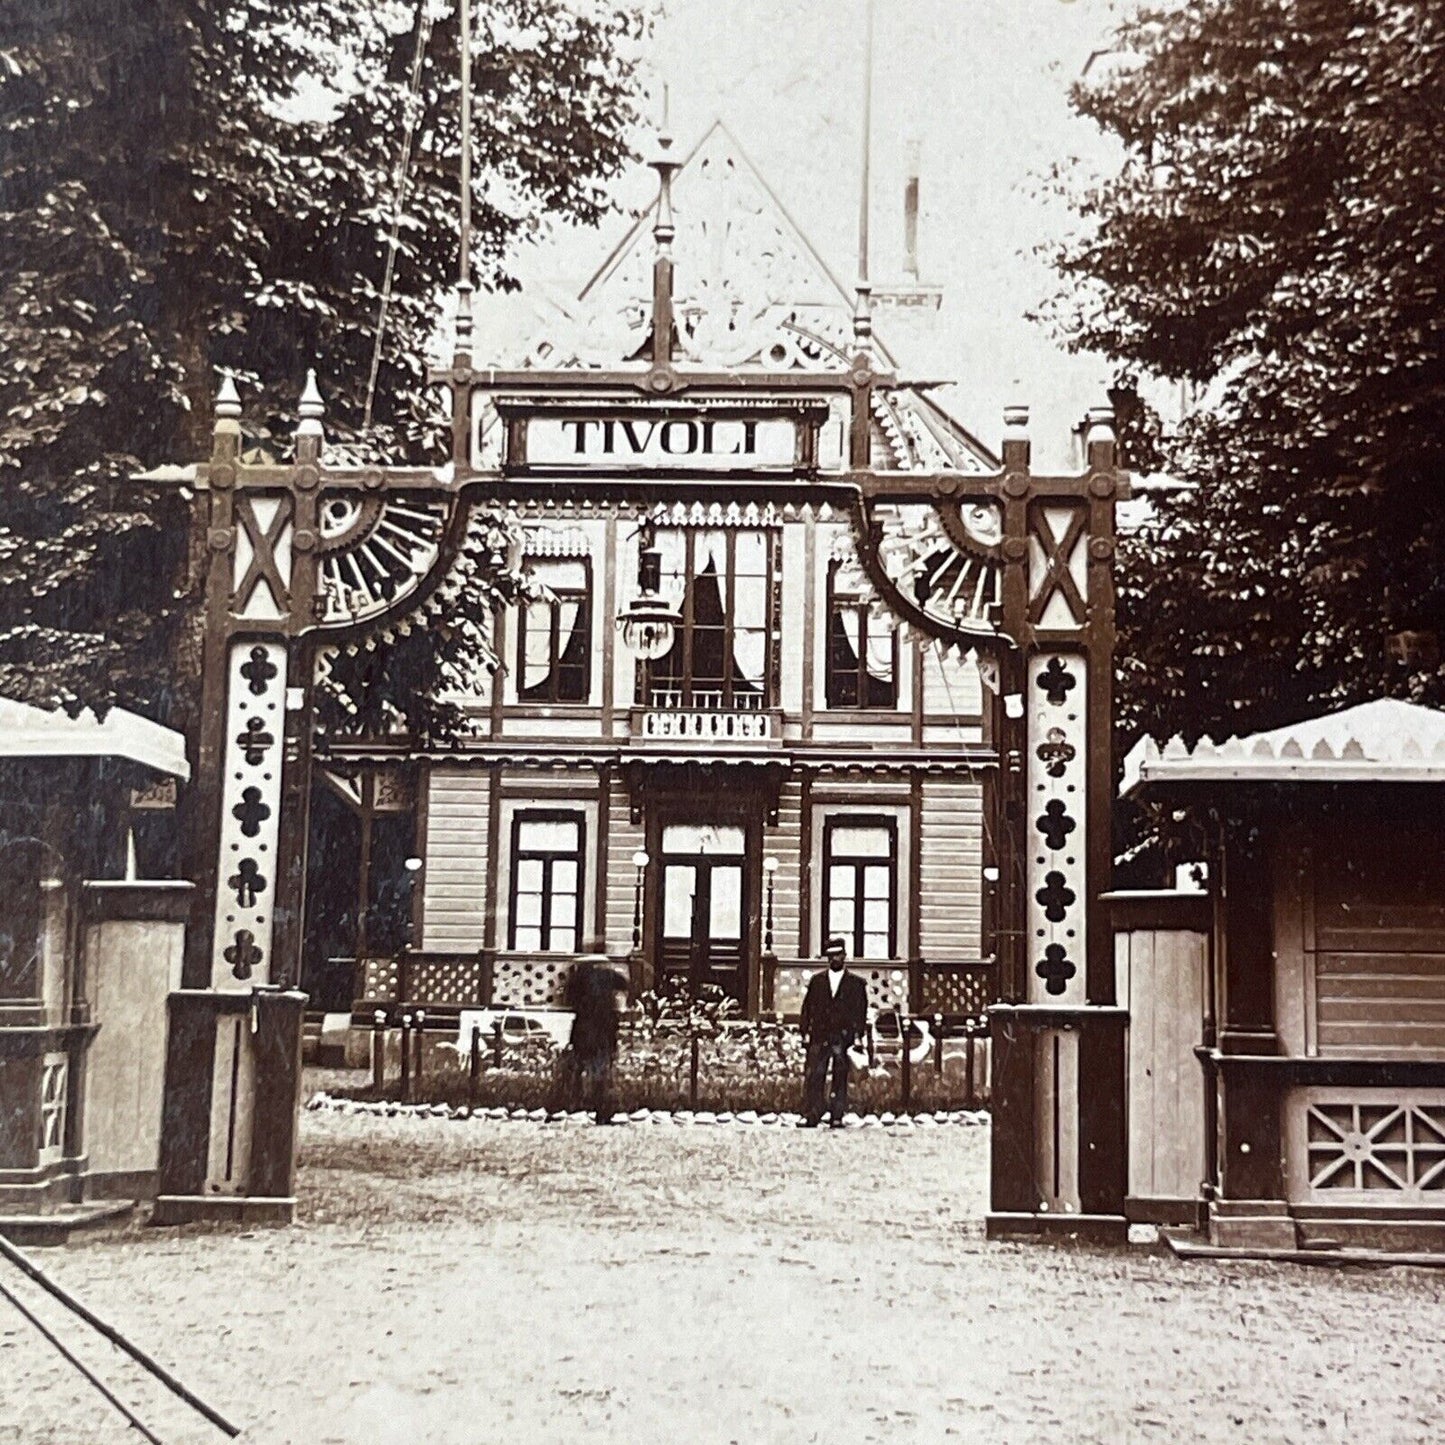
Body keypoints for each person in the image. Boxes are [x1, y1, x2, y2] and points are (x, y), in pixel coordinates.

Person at [799, 937, 868, 1127]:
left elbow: (859, 1013)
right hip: (820, 1035)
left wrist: (857, 1036)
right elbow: (807, 1009)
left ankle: (836, 1115)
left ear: (844, 956)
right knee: (815, 1074)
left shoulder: (856, 984)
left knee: (840, 1074)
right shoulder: (817, 981)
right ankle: (813, 1113)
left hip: (842, 1036)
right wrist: (804, 1031)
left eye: (838, 955)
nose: (834, 959)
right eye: (830, 956)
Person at [563, 955, 629, 1123]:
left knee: (578, 1068)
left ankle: (576, 1106)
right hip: (605, 1028)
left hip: (585, 1029)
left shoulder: (578, 978)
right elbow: (625, 985)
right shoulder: (610, 976)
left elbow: (568, 1000)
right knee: (602, 1069)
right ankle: (603, 1110)